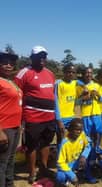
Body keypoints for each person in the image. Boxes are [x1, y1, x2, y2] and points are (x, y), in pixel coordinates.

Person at [14, 46, 56, 183]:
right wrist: (19, 119)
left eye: (44, 56)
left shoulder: (50, 73)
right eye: (39, 56)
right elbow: (15, 94)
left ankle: (43, 169)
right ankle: (31, 172)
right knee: (31, 146)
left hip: (49, 117)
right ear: (32, 58)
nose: (42, 59)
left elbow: (52, 94)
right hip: (32, 117)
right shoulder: (24, 73)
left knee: (46, 144)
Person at [0, 51, 22, 187]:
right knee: (2, 163)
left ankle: (10, 184)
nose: (9, 65)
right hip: (4, 128)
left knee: (10, 160)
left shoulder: (11, 82)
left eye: (11, 63)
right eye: (4, 62)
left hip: (15, 127)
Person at [56, 118, 95, 186]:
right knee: (60, 176)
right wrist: (72, 176)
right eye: (76, 130)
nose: (79, 132)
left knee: (92, 150)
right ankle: (66, 181)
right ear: (70, 130)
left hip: (79, 160)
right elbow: (60, 163)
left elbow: (88, 145)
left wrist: (84, 156)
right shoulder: (64, 143)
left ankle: (87, 173)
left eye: (80, 130)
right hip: (69, 164)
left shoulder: (82, 134)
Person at [54, 63, 77, 144]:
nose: (71, 74)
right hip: (61, 118)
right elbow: (55, 102)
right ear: (64, 72)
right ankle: (59, 155)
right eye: (69, 72)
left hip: (71, 117)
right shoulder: (58, 84)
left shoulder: (74, 83)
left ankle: (68, 155)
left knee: (71, 139)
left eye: (73, 72)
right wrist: (59, 120)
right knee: (61, 139)